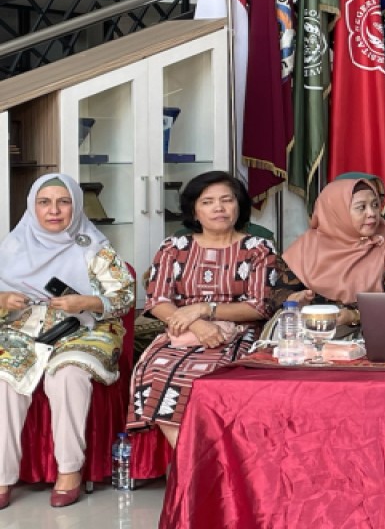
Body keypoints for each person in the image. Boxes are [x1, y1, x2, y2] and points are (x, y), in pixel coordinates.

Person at [0, 174, 134, 509]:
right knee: (3, 378)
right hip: (24, 330)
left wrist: (87, 302)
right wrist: (3, 299)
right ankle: (2, 475)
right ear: (32, 207)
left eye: (64, 202)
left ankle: (69, 470)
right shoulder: (12, 246)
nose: (54, 210)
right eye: (44, 202)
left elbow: (126, 298)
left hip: (88, 329)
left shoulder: (95, 248)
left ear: (76, 205)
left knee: (67, 375)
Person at [129, 171, 277, 447]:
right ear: (195, 211)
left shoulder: (258, 249)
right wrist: (196, 323)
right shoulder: (174, 247)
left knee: (208, 379)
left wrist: (204, 309)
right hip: (181, 332)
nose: (219, 208)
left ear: (239, 205)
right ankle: (189, 463)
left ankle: (197, 467)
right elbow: (157, 301)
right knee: (155, 372)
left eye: (226, 200)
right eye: (207, 202)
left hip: (238, 334)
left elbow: (258, 306)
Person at [273, 179, 385, 339]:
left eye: (375, 205)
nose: (371, 213)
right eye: (361, 207)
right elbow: (276, 295)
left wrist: (355, 316)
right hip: (310, 331)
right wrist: (294, 300)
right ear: (336, 211)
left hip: (370, 334)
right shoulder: (307, 246)